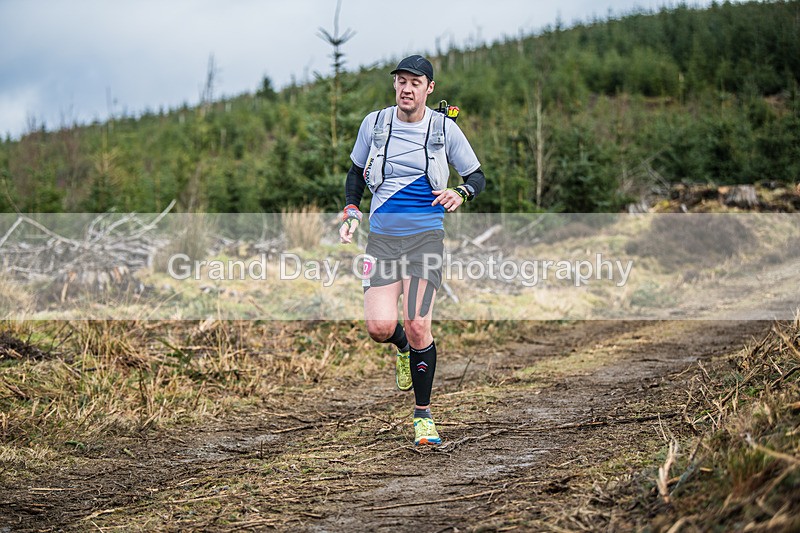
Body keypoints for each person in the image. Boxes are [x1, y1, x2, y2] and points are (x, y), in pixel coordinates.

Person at [339, 55, 486, 445]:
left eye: (415, 82)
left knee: (420, 323)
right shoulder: (375, 123)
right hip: (382, 239)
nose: (406, 88)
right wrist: (352, 209)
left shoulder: (444, 129)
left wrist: (461, 191)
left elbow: (477, 175)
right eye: (401, 81)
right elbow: (355, 172)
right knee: (379, 328)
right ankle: (402, 347)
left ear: (429, 88)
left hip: (425, 239)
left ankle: (423, 417)